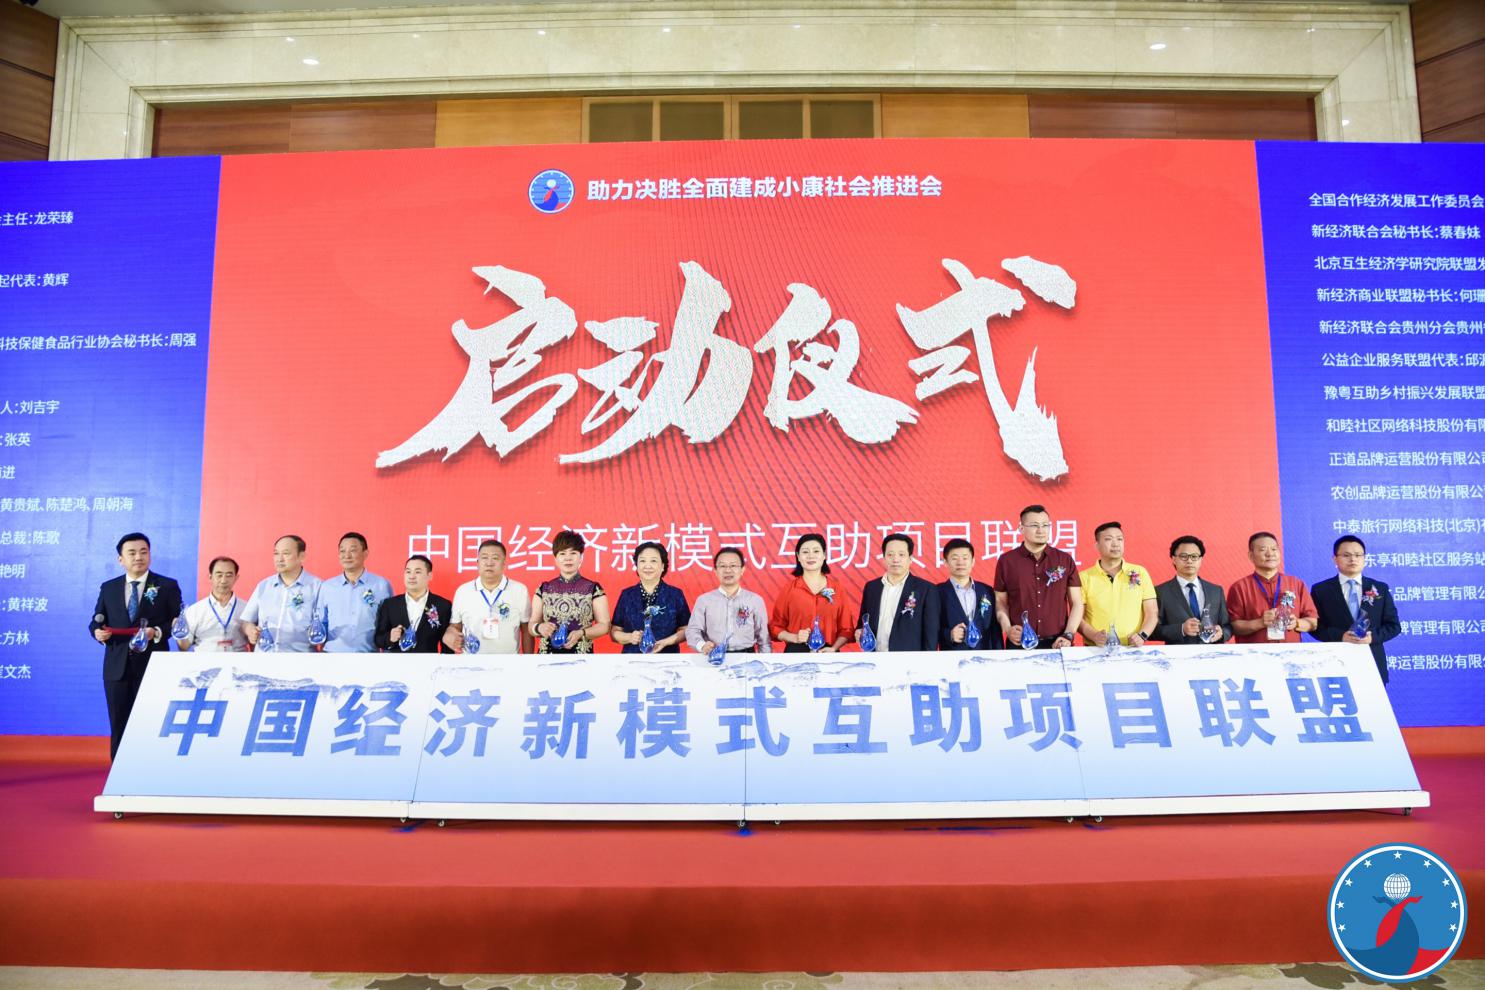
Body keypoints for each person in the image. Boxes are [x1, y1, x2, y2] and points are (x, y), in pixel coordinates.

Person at [89, 532, 183, 759]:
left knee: (151, 722)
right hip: (116, 667)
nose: (138, 557)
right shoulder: (109, 587)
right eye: (131, 553)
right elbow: (97, 619)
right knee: (119, 723)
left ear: (150, 555)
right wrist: (97, 632)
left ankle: (150, 769)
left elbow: (179, 623)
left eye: (143, 552)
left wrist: (157, 632)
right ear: (121, 559)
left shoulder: (167, 585)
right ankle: (119, 772)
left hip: (153, 665)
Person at [1310, 535, 1402, 683]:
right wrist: (1341, 636)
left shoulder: (1380, 588)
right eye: (1346, 555)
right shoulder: (1321, 590)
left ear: (1364, 558)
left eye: (1358, 555)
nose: (1353, 559)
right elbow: (1315, 627)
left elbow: (1394, 626)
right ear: (1335, 559)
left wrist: (1372, 637)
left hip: (1373, 663)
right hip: (1336, 664)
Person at [994, 505, 1084, 649]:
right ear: (1021, 528)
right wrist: (1008, 628)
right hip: (1020, 643)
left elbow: (1077, 603)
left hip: (1058, 643)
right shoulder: (1007, 561)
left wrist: (1068, 634)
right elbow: (1000, 602)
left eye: (1045, 525)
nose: (1041, 530)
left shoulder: (1064, 560)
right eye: (1034, 525)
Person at [1227, 531, 1318, 643]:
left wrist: (1297, 623)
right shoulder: (1239, 588)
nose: (1270, 554)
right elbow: (1233, 626)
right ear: (1251, 556)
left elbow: (1313, 622)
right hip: (1254, 652)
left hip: (1291, 651)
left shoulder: (1296, 584)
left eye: (1274, 549)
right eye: (1263, 550)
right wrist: (1260, 622)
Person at [770, 532, 854, 653]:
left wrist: (834, 648)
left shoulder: (837, 589)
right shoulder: (789, 589)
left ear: (824, 555)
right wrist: (794, 637)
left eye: (816, 551)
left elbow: (846, 629)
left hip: (828, 652)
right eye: (805, 552)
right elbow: (775, 627)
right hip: (796, 652)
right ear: (798, 556)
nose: (810, 556)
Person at [1077, 521, 1158, 648]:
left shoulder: (1139, 572)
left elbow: (1152, 612)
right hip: (1096, 649)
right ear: (1097, 545)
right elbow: (1077, 616)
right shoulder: (1084, 577)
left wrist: (1142, 636)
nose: (1115, 544)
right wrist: (1094, 636)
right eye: (1108, 539)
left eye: (1119, 539)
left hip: (1132, 647)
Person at [530, 530, 611, 654]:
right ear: (555, 558)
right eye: (562, 553)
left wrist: (582, 633)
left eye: (573, 553)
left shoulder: (593, 589)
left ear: (581, 557)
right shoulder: (544, 588)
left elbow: (605, 625)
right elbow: (531, 624)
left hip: (582, 657)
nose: (568, 558)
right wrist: (539, 627)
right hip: (546, 657)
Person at [857, 533, 940, 652]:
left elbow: (931, 634)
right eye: (890, 555)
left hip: (908, 660)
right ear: (884, 558)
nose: (895, 560)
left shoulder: (926, 589)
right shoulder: (872, 587)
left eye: (901, 555)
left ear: (910, 559)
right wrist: (859, 632)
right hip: (874, 658)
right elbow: (863, 622)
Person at [445, 539, 531, 654]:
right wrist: (450, 633)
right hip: (471, 661)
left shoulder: (519, 590)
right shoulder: (463, 591)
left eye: (495, 558)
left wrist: (529, 661)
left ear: (504, 564)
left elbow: (526, 630)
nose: (489, 563)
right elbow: (455, 626)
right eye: (484, 558)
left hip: (509, 661)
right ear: (477, 563)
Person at [241, 535, 323, 652]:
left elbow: (325, 627)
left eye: (286, 553)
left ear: (302, 556)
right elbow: (246, 621)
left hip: (300, 658)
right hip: (264, 658)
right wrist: (250, 630)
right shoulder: (264, 586)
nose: (279, 559)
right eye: (276, 553)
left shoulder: (317, 587)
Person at [316, 531, 393, 653]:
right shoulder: (327, 586)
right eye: (342, 551)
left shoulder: (381, 585)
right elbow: (321, 623)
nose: (347, 555)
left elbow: (388, 626)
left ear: (365, 554)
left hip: (368, 656)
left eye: (353, 550)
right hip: (332, 656)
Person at [686, 547, 771, 656]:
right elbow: (692, 631)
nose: (728, 570)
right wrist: (702, 645)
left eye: (733, 565)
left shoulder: (754, 600)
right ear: (715, 571)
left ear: (742, 570)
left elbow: (764, 638)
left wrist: (765, 660)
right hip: (713, 657)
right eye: (722, 566)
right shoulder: (704, 600)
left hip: (747, 657)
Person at [610, 541, 692, 654]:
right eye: (642, 561)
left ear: (662, 566)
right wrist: (629, 637)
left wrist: (665, 642)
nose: (647, 566)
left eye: (653, 561)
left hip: (667, 657)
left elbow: (686, 629)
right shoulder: (627, 595)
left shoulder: (675, 594)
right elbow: (615, 631)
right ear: (637, 566)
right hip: (632, 658)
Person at [1153, 535, 1233, 644]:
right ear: (1174, 559)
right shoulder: (1161, 592)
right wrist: (1181, 629)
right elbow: (1152, 631)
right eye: (1184, 556)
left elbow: (1228, 626)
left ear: (1201, 560)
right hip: (1178, 653)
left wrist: (1222, 633)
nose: (1189, 561)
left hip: (1211, 652)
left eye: (1194, 556)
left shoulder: (1216, 591)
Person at [374, 555, 452, 653]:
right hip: (397, 662)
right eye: (408, 571)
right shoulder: (390, 605)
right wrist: (390, 637)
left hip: (429, 662)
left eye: (417, 572)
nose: (411, 576)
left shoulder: (443, 606)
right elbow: (378, 639)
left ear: (430, 575)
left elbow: (447, 647)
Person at [936, 538, 1003, 651]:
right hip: (952, 655)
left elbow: (995, 629)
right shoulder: (937, 592)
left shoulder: (987, 591)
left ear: (973, 561)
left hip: (984, 655)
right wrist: (949, 635)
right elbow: (930, 629)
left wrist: (999, 654)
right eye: (954, 558)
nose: (960, 562)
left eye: (965, 558)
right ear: (945, 562)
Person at [174, 556, 251, 654]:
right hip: (203, 661)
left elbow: (254, 644)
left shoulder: (247, 608)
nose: (223, 580)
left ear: (236, 578)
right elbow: (184, 647)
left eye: (229, 575)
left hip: (239, 661)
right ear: (210, 577)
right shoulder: (194, 610)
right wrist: (178, 633)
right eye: (219, 575)